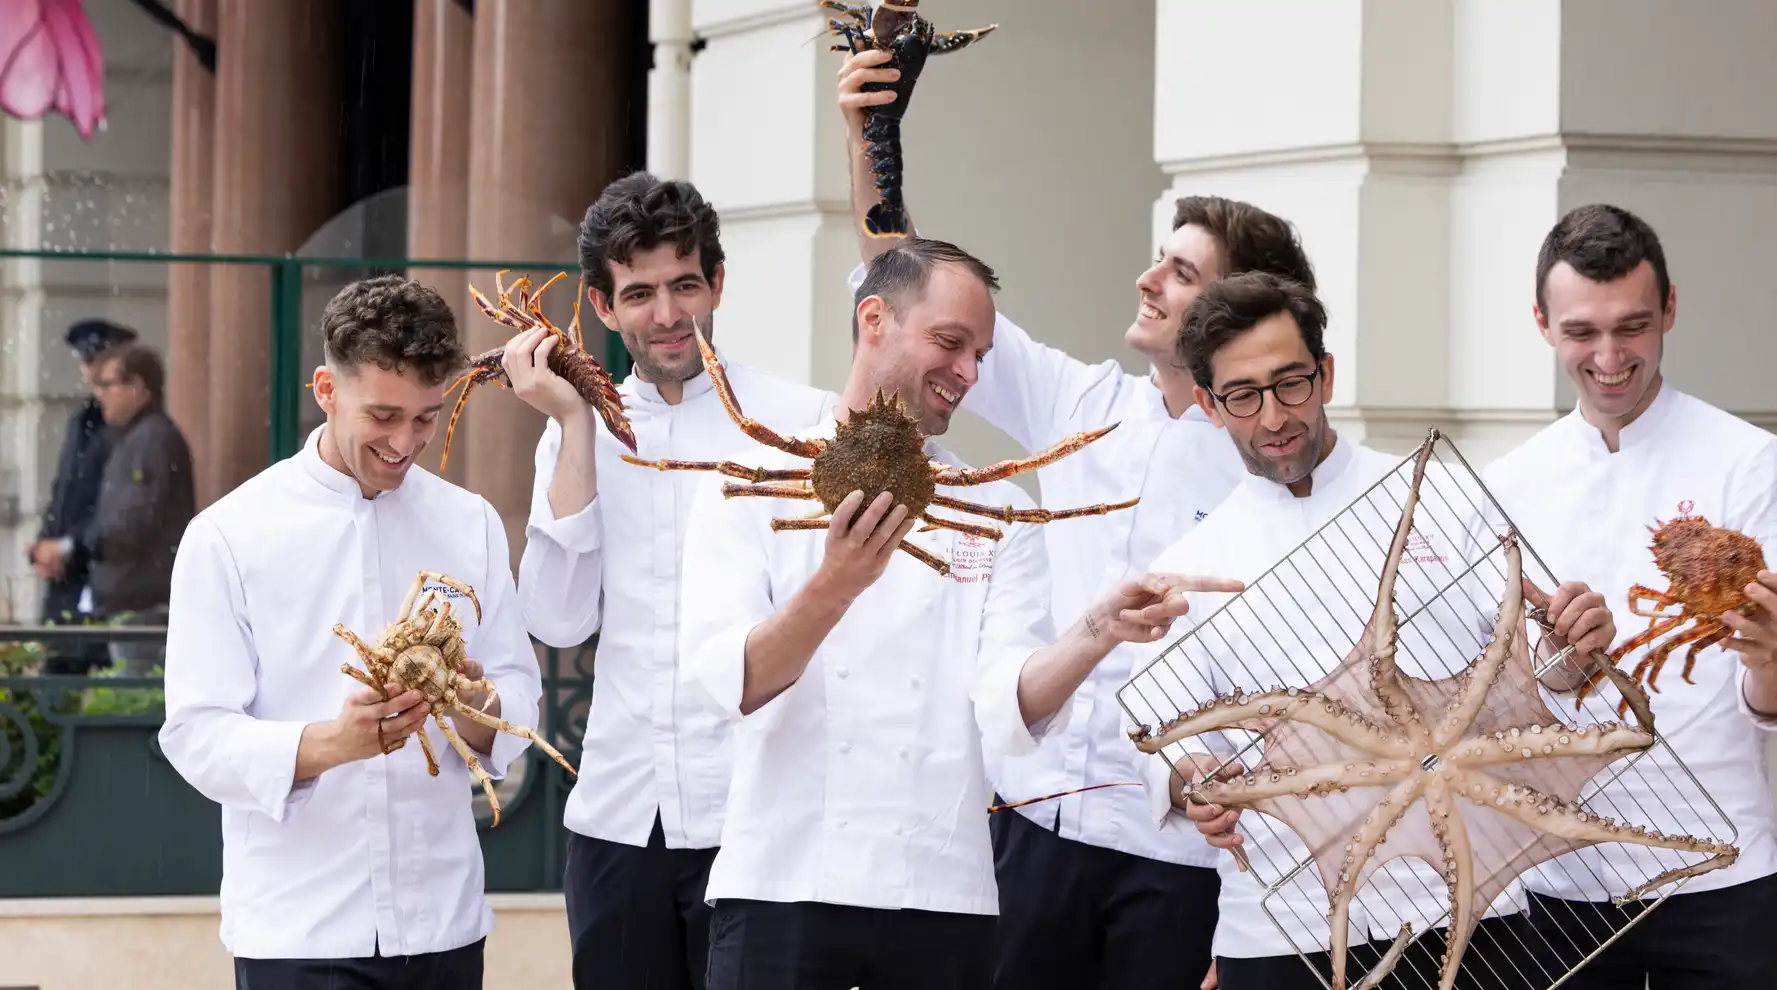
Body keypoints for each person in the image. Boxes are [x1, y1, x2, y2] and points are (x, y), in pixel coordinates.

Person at [831, 50, 1325, 990]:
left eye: (1179, 273)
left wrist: (1245, 913)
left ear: (1230, 307)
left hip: (1184, 859)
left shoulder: (1274, 461)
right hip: (1034, 830)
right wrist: (870, 139)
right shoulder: (1077, 401)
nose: (1147, 280)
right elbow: (901, 273)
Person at [673, 237, 1242, 990]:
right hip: (782, 882)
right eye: (950, 343)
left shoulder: (995, 513)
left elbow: (1008, 704)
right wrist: (837, 583)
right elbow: (733, 682)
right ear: (873, 319)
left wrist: (1097, 630)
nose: (970, 374)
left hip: (944, 899)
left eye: (980, 352)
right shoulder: (753, 482)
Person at [1117, 270, 1617, 989]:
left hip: (1473, 916)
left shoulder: (1441, 499)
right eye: (1242, 396)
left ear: (1324, 374)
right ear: (1208, 404)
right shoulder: (1191, 568)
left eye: (1290, 383)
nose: (1273, 416)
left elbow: (1536, 677)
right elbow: (1159, 737)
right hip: (1281, 935)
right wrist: (1189, 778)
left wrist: (1570, 650)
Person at [157, 275, 547, 989]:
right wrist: (333, 742)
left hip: (445, 925)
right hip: (298, 930)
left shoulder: (472, 523)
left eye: (426, 417)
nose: (406, 443)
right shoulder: (227, 536)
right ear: (326, 390)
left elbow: (520, 687)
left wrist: (481, 706)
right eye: (383, 415)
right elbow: (194, 733)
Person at [508, 170, 837, 990]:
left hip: (764, 819)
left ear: (717, 283)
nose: (666, 316)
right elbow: (555, 620)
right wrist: (576, 424)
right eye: (641, 293)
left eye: (685, 286)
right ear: (601, 304)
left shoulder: (801, 421)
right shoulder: (571, 436)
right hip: (620, 820)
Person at [1483, 204, 1777, 990]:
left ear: (1669, 309)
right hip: (1558, 886)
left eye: (1632, 326)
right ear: (1543, 324)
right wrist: (1560, 668)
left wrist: (1769, 654)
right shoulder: (1507, 484)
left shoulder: (1749, 461)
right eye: (1581, 332)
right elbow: (1488, 705)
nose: (1608, 356)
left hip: (1720, 875)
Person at [27, 318, 136, 672]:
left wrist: (69, 545)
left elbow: (117, 506)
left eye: (98, 361)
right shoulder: (82, 421)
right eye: (87, 362)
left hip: (100, 573)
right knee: (58, 671)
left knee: (93, 674)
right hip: (67, 576)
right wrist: (45, 544)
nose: (91, 372)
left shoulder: (124, 426)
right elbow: (64, 490)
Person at [80, 342, 195, 673]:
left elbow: (133, 523)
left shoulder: (152, 438)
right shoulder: (133, 436)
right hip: (132, 597)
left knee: (137, 701)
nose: (100, 394)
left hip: (144, 601)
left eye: (108, 384)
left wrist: (85, 544)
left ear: (138, 387)